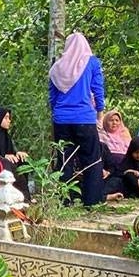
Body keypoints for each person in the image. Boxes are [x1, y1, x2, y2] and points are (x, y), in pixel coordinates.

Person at [49, 32, 105, 206]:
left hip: (61, 120)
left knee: (64, 159)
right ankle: (92, 200)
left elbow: (52, 97)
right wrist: (100, 114)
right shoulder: (92, 63)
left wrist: (57, 113)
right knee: (92, 159)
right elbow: (98, 89)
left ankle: (64, 201)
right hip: (84, 119)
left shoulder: (57, 67)